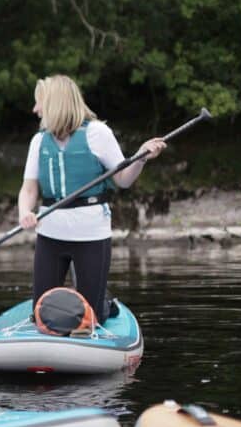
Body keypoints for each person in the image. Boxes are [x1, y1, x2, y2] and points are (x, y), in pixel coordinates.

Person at [17, 75, 166, 322]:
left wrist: (140, 157)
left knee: (92, 317)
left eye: (39, 102)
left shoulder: (98, 133)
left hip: (90, 233)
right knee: (40, 314)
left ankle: (105, 304)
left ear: (55, 103)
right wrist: (24, 212)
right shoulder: (39, 141)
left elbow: (123, 180)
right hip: (51, 233)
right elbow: (29, 189)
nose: (35, 109)